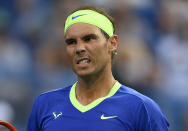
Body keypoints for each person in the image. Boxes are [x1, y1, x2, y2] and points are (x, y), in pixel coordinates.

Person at [26, 6, 169, 131]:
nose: (79, 48)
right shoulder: (44, 104)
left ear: (112, 43)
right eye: (71, 42)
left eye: (89, 39)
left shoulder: (142, 108)